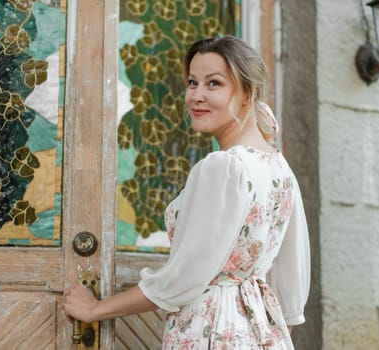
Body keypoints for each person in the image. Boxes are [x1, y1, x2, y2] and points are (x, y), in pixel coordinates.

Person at [63, 35, 310, 349]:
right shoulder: (279, 167)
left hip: (210, 329)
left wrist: (95, 309)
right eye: (193, 82)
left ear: (246, 93)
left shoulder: (222, 167)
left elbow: (181, 280)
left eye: (214, 84)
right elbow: (293, 286)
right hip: (264, 331)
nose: (196, 95)